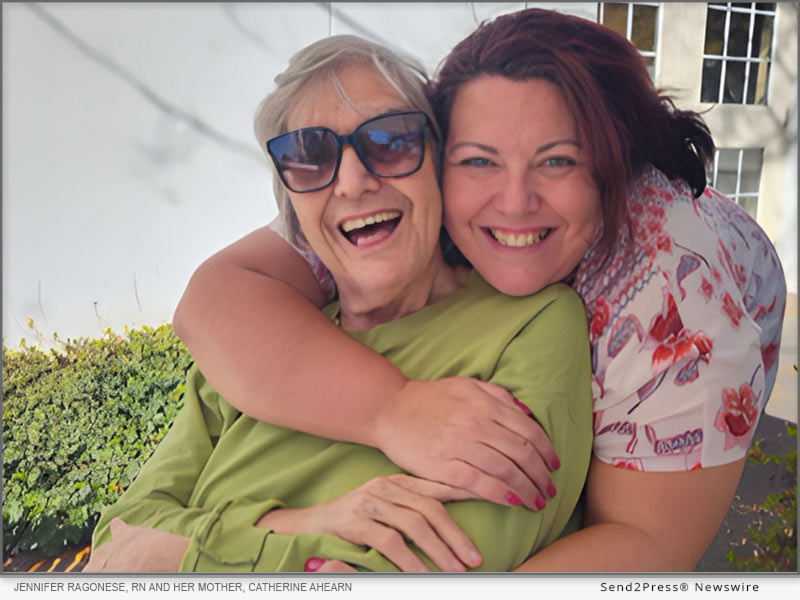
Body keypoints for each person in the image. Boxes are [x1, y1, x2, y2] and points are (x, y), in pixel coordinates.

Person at [172, 9, 787, 571]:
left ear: (611, 162)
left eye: (557, 161)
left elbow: (646, 543)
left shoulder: (682, 310)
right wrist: (394, 410)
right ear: (438, 155)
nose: (513, 203)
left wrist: (198, 557)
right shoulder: (383, 184)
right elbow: (215, 298)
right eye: (478, 161)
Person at [87, 34, 593, 573]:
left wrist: (182, 553)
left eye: (392, 141)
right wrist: (309, 524)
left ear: (439, 162)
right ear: (293, 207)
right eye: (309, 157)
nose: (353, 183)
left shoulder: (533, 324)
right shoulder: (258, 345)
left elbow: (428, 569)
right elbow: (123, 533)